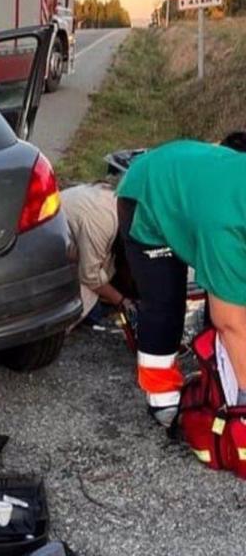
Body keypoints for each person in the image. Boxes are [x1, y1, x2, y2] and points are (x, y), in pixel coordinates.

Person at [116, 133, 246, 427]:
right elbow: (229, 320)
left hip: (196, 179)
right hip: (147, 193)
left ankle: (217, 370)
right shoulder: (226, 229)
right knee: (165, 304)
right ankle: (162, 399)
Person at [60, 182, 135, 325]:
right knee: (95, 313)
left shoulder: (117, 204)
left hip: (74, 237)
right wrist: (122, 301)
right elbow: (90, 276)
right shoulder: (102, 223)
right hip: (56, 252)